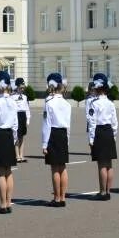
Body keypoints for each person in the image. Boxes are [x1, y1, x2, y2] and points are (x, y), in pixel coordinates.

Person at [0, 70, 18, 213]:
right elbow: (15, 124)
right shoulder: (13, 102)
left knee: (1, 172)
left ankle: (3, 204)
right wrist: (15, 139)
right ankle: (9, 202)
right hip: (9, 135)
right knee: (9, 171)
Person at [41, 72, 71, 207]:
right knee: (63, 167)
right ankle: (63, 197)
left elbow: (46, 124)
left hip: (53, 134)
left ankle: (57, 198)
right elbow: (68, 125)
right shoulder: (67, 103)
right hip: (63, 134)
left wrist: (44, 143)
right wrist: (67, 140)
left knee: (55, 168)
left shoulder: (49, 103)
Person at [87, 73, 118, 200]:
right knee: (109, 164)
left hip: (99, 131)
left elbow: (92, 122)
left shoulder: (94, 103)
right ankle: (108, 191)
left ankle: (102, 192)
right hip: (109, 131)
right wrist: (114, 135)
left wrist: (91, 138)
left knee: (101, 164)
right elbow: (115, 122)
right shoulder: (111, 103)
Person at [12, 77, 31, 163]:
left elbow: (27, 108)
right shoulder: (13, 97)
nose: (22, 89)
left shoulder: (25, 97)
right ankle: (17, 156)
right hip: (16, 116)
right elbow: (11, 109)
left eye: (23, 87)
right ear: (17, 87)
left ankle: (22, 155)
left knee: (22, 137)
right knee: (16, 137)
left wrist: (28, 120)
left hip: (23, 116)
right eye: (21, 87)